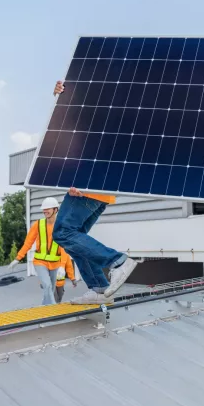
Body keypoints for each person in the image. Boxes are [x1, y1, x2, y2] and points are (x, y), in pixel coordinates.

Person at [50, 81, 138, 304]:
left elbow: (86, 130)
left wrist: (84, 175)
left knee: (62, 233)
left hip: (88, 183)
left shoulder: (106, 112)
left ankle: (118, 261)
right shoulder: (110, 110)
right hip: (97, 187)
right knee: (75, 239)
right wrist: (61, 96)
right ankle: (99, 289)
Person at [9, 197, 70, 305]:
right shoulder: (38, 224)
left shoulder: (62, 226)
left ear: (55, 210)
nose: (45, 211)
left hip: (55, 263)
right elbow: (28, 243)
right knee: (47, 285)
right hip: (40, 262)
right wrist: (17, 259)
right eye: (44, 209)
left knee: (50, 290)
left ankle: (43, 310)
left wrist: (62, 265)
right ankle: (53, 310)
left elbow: (64, 247)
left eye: (48, 209)